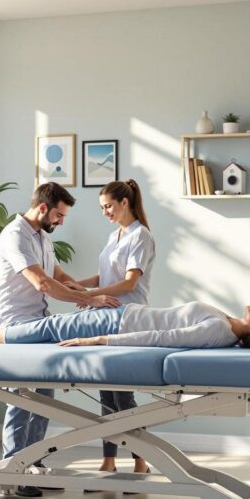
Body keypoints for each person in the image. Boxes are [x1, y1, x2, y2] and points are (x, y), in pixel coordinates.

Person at [0, 182, 120, 498]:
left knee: (44, 397)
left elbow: (58, 276)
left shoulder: (42, 238)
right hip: (14, 327)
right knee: (22, 399)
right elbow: (42, 283)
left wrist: (83, 292)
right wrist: (90, 301)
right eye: (60, 215)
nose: (62, 222)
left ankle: (33, 463)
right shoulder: (14, 236)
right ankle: (13, 470)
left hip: (37, 325)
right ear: (44, 208)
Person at [63, 180, 155, 481]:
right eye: (102, 208)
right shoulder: (114, 235)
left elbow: (129, 283)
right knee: (106, 394)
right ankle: (108, 459)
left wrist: (90, 296)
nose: (105, 212)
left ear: (124, 203)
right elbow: (105, 274)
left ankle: (141, 460)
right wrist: (80, 286)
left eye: (108, 207)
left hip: (127, 318)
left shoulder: (140, 235)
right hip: (104, 316)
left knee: (123, 397)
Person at [0, 302, 250, 351]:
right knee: (49, 326)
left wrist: (95, 339)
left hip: (118, 321)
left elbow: (161, 337)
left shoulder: (218, 331)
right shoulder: (226, 326)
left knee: (49, 327)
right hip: (122, 312)